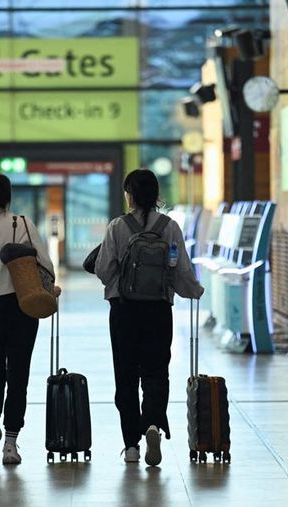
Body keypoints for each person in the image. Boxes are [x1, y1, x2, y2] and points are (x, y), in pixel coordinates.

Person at [94, 169, 204, 467]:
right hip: (158, 310)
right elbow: (181, 271)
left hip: (124, 310)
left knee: (126, 376)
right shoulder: (170, 227)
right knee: (156, 372)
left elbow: (104, 271)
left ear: (129, 194)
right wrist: (196, 291)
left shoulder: (117, 226)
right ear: (156, 195)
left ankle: (131, 446)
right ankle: (153, 423)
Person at [0, 172, 60, 465]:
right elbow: (46, 263)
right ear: (8, 197)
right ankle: (11, 445)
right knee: (19, 373)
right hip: (23, 304)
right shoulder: (24, 224)